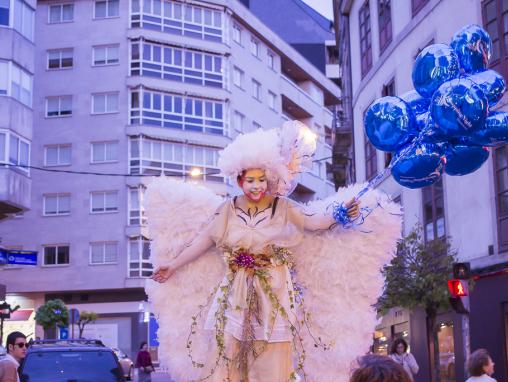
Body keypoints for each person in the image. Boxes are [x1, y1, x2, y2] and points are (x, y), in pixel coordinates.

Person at [147, 122, 402, 381]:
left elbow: (314, 221)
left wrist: (339, 214)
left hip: (275, 285)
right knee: (232, 346)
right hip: (237, 288)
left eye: (261, 180)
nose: (256, 186)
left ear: (269, 179)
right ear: (239, 180)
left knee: (273, 346)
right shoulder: (227, 210)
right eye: (250, 180)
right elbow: (203, 241)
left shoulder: (283, 207)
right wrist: (173, 265)